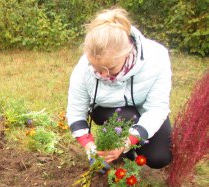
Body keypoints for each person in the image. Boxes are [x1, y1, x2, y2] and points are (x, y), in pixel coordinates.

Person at [66, 8, 172, 169]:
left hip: (145, 111)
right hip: (109, 111)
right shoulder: (83, 68)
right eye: (96, 67)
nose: (102, 74)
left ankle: (128, 148)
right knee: (125, 117)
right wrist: (89, 147)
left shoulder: (157, 58)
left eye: (110, 68)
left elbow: (157, 108)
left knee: (159, 158)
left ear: (127, 51)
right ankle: (123, 151)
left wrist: (128, 141)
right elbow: (75, 112)